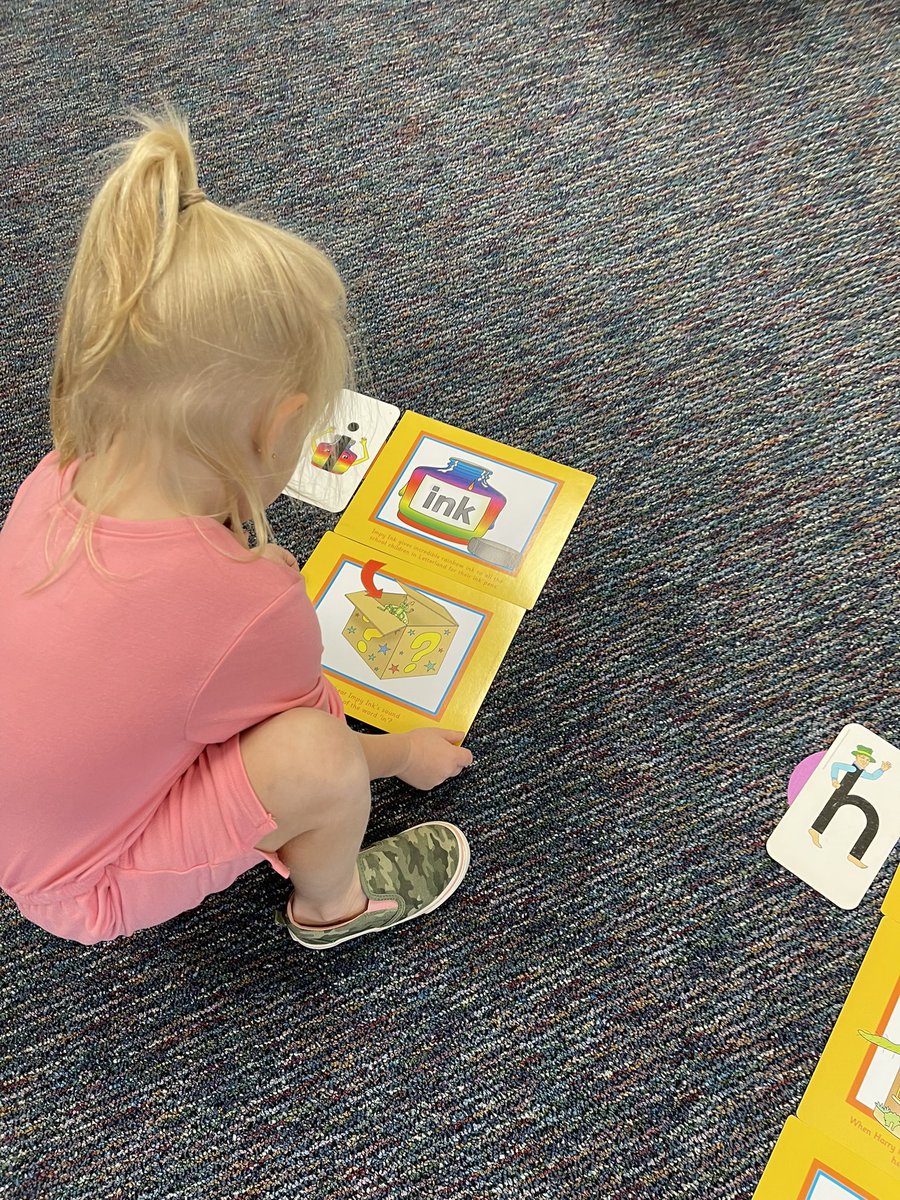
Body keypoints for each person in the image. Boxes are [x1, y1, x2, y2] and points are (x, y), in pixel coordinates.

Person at [0, 108, 472, 948]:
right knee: (313, 759)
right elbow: (314, 741)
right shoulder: (250, 604)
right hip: (79, 886)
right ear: (277, 428)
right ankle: (333, 909)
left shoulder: (57, 473)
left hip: (25, 816)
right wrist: (401, 753)